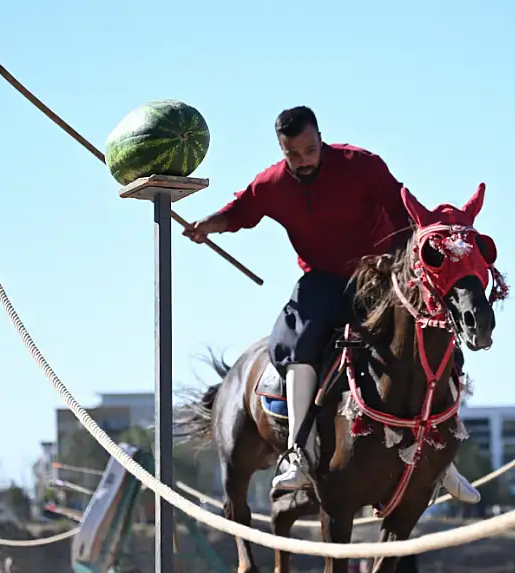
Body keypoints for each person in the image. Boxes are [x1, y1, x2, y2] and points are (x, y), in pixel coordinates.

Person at [183, 105, 479, 503]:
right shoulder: (272, 183)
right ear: (281, 150)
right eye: (293, 154)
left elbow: (405, 212)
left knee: (432, 339)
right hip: (322, 279)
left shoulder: (362, 165)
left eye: (309, 150)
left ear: (320, 138)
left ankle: (443, 463)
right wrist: (206, 226)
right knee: (295, 342)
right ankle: (296, 455)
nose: (303, 161)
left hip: (380, 275)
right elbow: (241, 211)